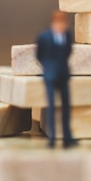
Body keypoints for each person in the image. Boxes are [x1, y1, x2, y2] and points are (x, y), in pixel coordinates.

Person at [36, 10, 77, 149]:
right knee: (52, 107)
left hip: (64, 74)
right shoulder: (44, 37)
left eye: (63, 23)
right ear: (53, 23)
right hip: (51, 75)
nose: (61, 26)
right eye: (59, 23)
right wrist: (48, 68)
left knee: (66, 107)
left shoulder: (67, 35)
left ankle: (67, 137)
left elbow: (68, 52)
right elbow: (39, 55)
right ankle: (52, 137)